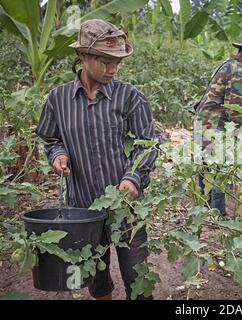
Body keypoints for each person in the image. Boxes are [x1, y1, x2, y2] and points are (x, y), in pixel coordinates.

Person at [35, 19, 157, 300]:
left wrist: (133, 177)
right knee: (95, 279)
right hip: (84, 211)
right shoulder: (58, 100)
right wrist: (58, 154)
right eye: (104, 61)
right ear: (82, 56)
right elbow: (52, 139)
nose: (112, 70)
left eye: (117, 62)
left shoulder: (130, 98)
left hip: (128, 209)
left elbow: (148, 145)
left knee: (138, 279)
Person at [195, 35, 242, 215]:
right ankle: (217, 213)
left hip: (203, 121)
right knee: (221, 169)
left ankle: (205, 208)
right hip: (216, 126)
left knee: (205, 166)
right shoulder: (238, 71)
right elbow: (234, 107)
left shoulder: (226, 64)